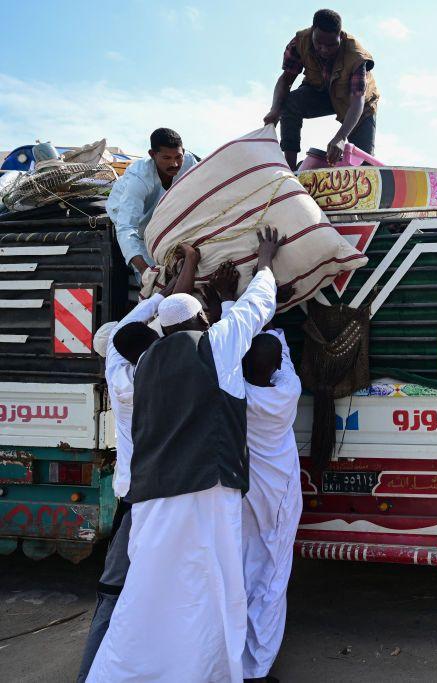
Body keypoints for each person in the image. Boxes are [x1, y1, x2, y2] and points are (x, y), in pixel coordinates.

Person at [86, 228, 285, 683]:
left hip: (154, 495)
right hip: (207, 491)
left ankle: (125, 671)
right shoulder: (216, 346)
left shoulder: (138, 368)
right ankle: (210, 670)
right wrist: (266, 261)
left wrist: (160, 295)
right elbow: (258, 307)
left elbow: (131, 333)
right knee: (214, 584)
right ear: (201, 323)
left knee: (151, 588)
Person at [76, 247, 199, 683]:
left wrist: (170, 285)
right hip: (151, 497)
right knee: (123, 589)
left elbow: (133, 329)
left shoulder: (120, 374)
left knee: (119, 588)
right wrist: (188, 269)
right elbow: (159, 322)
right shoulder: (160, 374)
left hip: (135, 492)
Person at [238, 325, 303, 681]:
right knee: (272, 576)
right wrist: (275, 325)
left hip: (245, 495)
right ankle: (257, 668)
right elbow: (284, 360)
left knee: (245, 567)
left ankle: (235, 656)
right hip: (278, 499)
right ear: (275, 365)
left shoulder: (236, 392)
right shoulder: (287, 392)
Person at [264, 9, 380, 170]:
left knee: (363, 169)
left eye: (331, 45)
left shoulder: (356, 57)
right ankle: (290, 169)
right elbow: (286, 80)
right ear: (312, 32)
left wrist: (340, 138)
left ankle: (358, 169)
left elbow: (358, 100)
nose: (324, 49)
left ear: (340, 37)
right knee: (289, 103)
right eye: (319, 43)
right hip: (320, 92)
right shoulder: (300, 42)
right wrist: (275, 109)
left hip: (356, 105)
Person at [108, 128, 198, 280]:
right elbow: (127, 227)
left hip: (165, 217)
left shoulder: (189, 163)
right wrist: (145, 270)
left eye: (178, 157)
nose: (174, 164)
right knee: (152, 278)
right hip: (135, 223)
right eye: (166, 158)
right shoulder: (138, 178)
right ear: (152, 155)